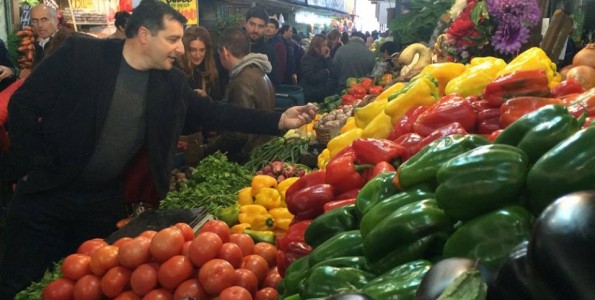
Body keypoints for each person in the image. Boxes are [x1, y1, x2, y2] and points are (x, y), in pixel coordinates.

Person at [0, 0, 316, 298]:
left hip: (100, 204)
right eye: (173, 39)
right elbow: (23, 104)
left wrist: (278, 120)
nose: (180, 49)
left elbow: (214, 112)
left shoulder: (170, 83)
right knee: (21, 283)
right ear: (143, 35)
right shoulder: (82, 54)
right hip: (46, 194)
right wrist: (30, 165)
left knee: (90, 288)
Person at [203, 27, 276, 163]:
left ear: (224, 52)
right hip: (262, 152)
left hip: (248, 158)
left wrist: (207, 150)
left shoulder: (242, 81)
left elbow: (238, 134)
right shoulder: (259, 71)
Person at [244, 7, 279, 88]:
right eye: (252, 24)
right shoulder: (235, 45)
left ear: (265, 27)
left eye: (260, 26)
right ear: (245, 23)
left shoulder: (269, 51)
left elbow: (274, 81)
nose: (255, 30)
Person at [299, 34, 338, 103]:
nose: (326, 48)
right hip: (311, 96)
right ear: (316, 47)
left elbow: (334, 73)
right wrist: (326, 72)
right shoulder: (307, 59)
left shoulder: (324, 58)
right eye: (323, 45)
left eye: (326, 45)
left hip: (324, 96)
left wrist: (328, 58)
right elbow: (311, 77)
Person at [265, 18, 287, 87]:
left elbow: (280, 65)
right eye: (267, 26)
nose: (268, 29)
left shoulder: (278, 44)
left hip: (272, 80)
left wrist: (276, 81)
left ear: (276, 30)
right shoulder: (265, 41)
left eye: (271, 27)